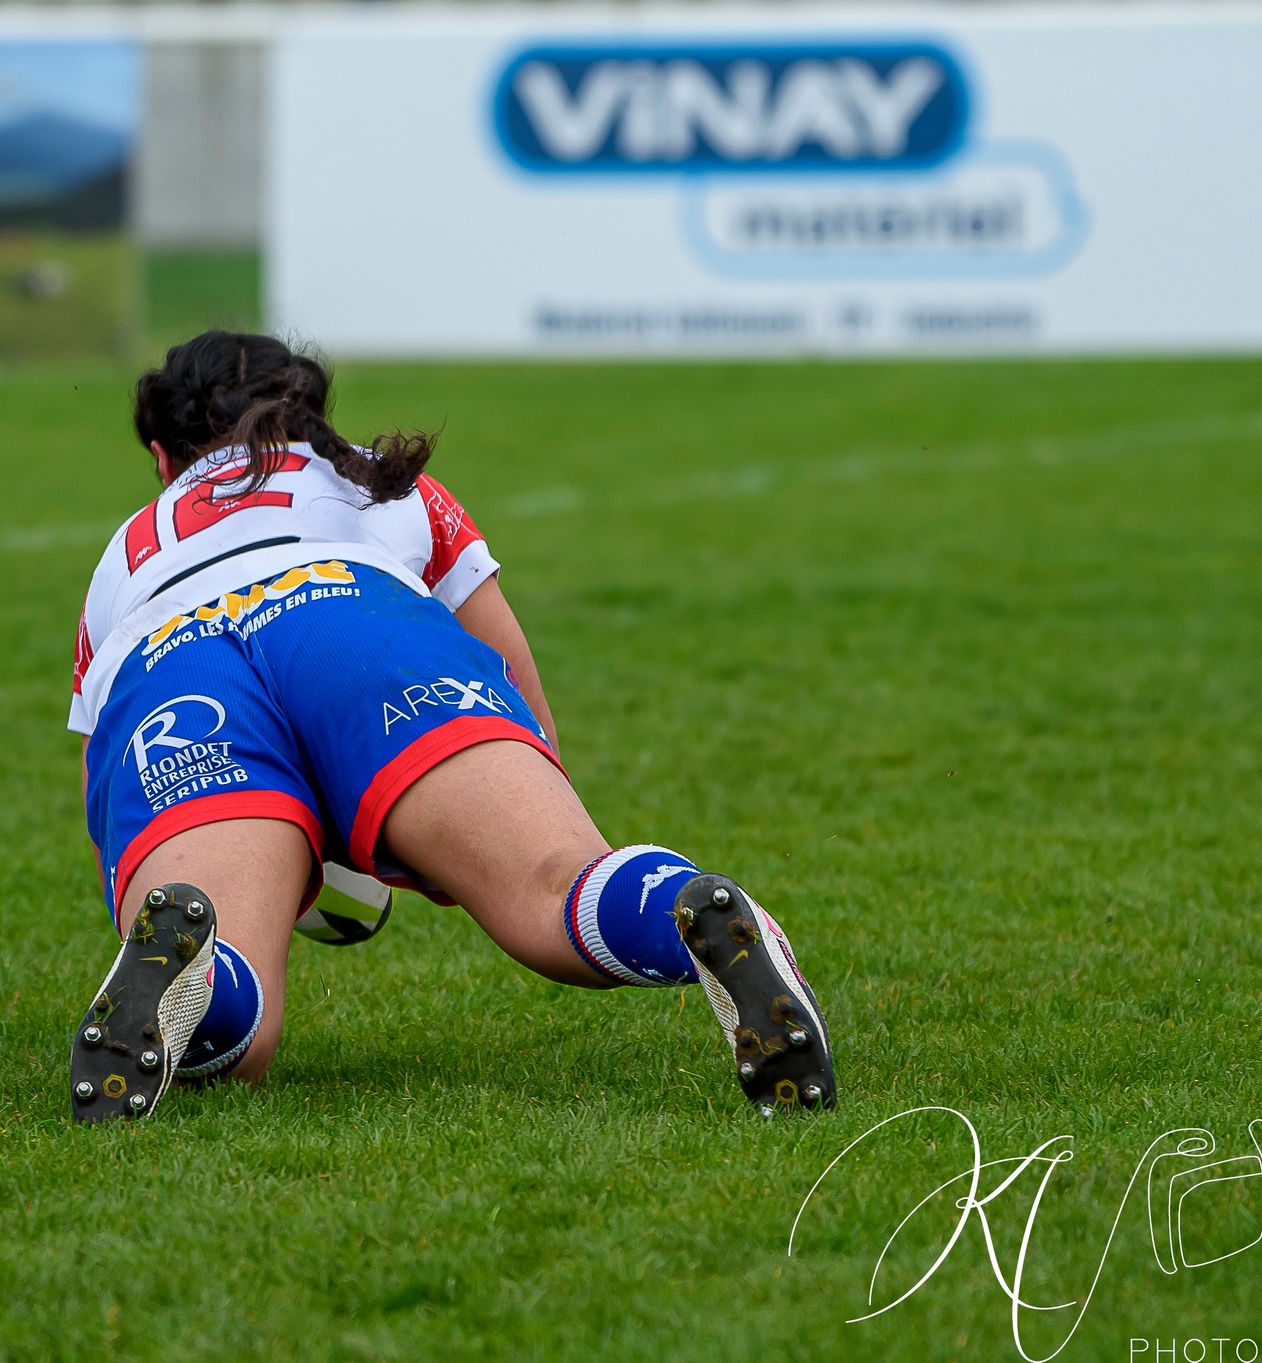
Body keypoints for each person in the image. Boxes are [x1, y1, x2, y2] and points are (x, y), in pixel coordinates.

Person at [65, 331, 837, 1123]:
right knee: (553, 889)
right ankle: (680, 905)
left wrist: (224, 870)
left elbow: (105, 791)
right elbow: (506, 663)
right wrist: (526, 815)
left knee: (235, 1011)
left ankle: (192, 973)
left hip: (170, 662)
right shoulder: (380, 477)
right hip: (350, 619)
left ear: (162, 457)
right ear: (306, 411)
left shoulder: (119, 556)